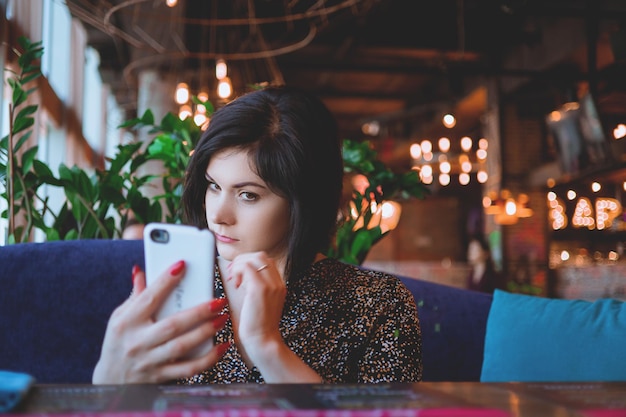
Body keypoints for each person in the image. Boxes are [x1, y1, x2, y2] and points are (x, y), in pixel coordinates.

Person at [92, 86, 422, 384]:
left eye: (248, 195)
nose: (218, 215)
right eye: (213, 186)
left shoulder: (377, 303)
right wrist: (107, 381)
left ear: (304, 201)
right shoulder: (170, 287)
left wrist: (267, 346)